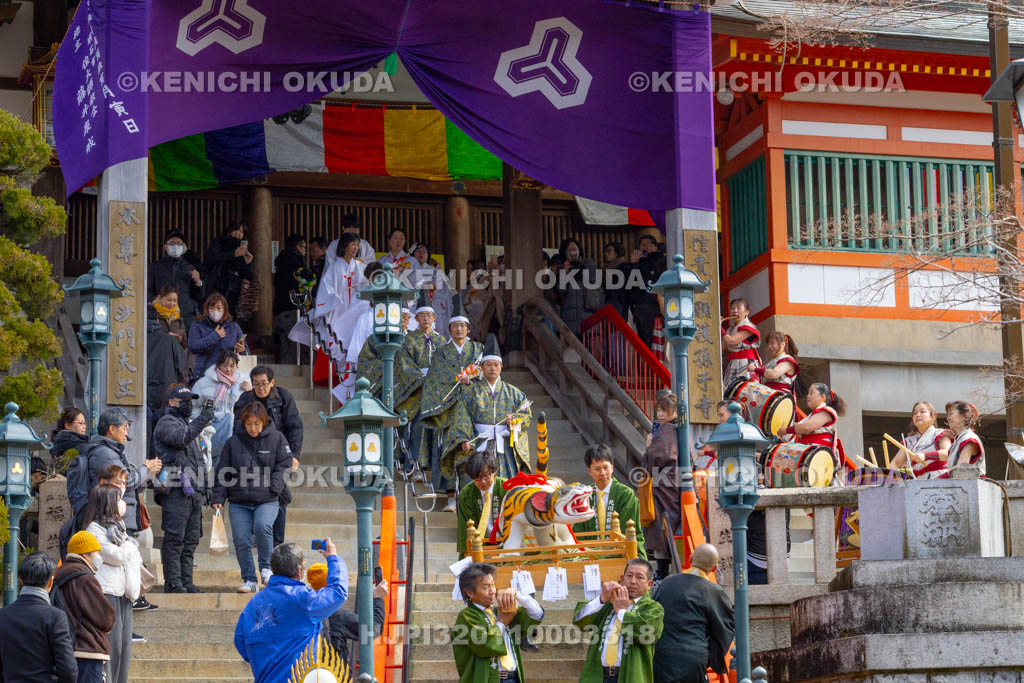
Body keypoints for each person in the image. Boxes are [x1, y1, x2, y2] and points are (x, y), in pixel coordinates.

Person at [234, 541, 347, 683]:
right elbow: (338, 592)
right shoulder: (303, 598)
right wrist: (333, 558)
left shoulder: (253, 604)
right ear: (299, 571)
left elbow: (240, 641)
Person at [212, 402, 292, 592]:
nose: (253, 428)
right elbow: (223, 471)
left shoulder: (277, 439)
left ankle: (266, 568)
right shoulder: (233, 442)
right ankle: (249, 579)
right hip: (239, 500)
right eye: (249, 424)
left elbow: (284, 464)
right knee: (241, 538)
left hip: (267, 498)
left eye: (257, 424)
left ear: (264, 422)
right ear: (243, 423)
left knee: (262, 527)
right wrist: (218, 498)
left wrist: (275, 487)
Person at [418, 296, 483, 503]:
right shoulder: (441, 353)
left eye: (462, 326)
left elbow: (487, 374)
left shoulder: (478, 351)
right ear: (449, 329)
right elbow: (435, 379)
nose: (459, 329)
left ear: (468, 330)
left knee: (471, 450)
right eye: (454, 326)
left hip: (473, 409)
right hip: (449, 409)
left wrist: (472, 377)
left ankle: (472, 493)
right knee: (448, 449)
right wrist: (456, 380)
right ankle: (450, 495)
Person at [152, 385, 216, 594]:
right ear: (172, 402)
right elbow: (181, 438)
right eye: (184, 401)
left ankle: (186, 581)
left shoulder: (187, 425)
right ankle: (174, 583)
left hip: (193, 492)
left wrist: (205, 490)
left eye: (191, 400)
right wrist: (202, 419)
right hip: (175, 490)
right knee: (175, 539)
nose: (188, 405)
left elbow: (199, 460)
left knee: (190, 542)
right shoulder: (166, 422)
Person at [444, 334, 532, 483]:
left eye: (496, 365)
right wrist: (464, 439)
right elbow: (461, 418)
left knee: (505, 485)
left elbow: (526, 416)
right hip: (479, 445)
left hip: (504, 448)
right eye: (488, 364)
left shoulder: (514, 393)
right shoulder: (470, 392)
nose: (493, 368)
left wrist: (515, 422)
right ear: (481, 367)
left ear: (501, 367)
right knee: (478, 483)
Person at [233, 365, 304, 547]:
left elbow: (294, 426)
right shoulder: (245, 400)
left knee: (279, 492)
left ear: (272, 382)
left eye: (264, 384)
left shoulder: (284, 397)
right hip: (251, 454)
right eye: (256, 384)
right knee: (251, 492)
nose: (261, 388)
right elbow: (238, 429)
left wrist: (294, 455)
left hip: (278, 452)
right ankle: (254, 534)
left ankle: (277, 540)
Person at [84, 485, 143, 683]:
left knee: (124, 650)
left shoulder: (118, 528)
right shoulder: (94, 529)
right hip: (107, 592)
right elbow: (116, 556)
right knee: (112, 648)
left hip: (124, 592)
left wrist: (128, 544)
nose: (122, 503)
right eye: (118, 499)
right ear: (107, 503)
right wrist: (128, 544)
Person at [652, 544, 734, 683]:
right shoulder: (714, 592)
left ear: (690, 559)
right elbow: (726, 628)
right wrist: (709, 655)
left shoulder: (667, 582)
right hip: (693, 656)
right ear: (714, 568)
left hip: (662, 655)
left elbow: (652, 613)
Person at [574, 558, 664, 683]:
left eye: (639, 577)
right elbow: (580, 620)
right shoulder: (609, 603)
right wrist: (601, 599)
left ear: (649, 584)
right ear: (622, 579)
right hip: (599, 674)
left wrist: (621, 612)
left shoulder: (653, 608)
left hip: (630, 675)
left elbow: (649, 633)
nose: (633, 581)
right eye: (629, 575)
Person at [453, 562, 544, 683]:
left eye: (493, 585)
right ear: (470, 592)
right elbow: (484, 644)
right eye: (486, 587)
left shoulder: (501, 611)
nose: (492, 591)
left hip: (513, 678)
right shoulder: (467, 616)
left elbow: (537, 614)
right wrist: (501, 623)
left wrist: (517, 594)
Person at [399, 289, 450, 489]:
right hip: (417, 392)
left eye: (429, 315)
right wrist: (422, 378)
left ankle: (433, 466)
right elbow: (404, 365)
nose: (426, 319)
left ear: (434, 317)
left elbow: (448, 366)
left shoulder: (441, 341)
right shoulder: (409, 340)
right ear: (416, 318)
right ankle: (416, 467)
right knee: (418, 425)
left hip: (436, 392)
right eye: (422, 315)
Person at [83, 410, 162, 538]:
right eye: (124, 428)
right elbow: (128, 482)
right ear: (112, 429)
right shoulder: (105, 453)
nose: (126, 433)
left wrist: (149, 474)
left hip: (121, 517)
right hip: (114, 517)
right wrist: (146, 468)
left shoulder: (112, 451)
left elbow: (130, 485)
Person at [0, 552, 77, 683]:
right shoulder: (55, 617)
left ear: (20, 580)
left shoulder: (3, 615)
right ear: (51, 581)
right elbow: (68, 671)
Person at [53, 531, 117, 683]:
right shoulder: (84, 578)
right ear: (85, 553)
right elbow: (106, 618)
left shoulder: (60, 575)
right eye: (96, 552)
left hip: (66, 648)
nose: (98, 557)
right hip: (87, 649)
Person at [575, 444, 646, 560]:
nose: (602, 473)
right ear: (589, 471)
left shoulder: (625, 494)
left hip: (621, 552)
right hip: (591, 556)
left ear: (612, 467)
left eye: (606, 467)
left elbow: (628, 530)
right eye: (597, 469)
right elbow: (578, 533)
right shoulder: (584, 496)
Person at [306, 563, 387, 662]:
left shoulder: (304, 610)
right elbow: (373, 629)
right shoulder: (337, 617)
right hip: (333, 675)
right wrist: (378, 598)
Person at [313, 232, 368, 374]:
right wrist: (337, 299)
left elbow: (366, 287)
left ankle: (352, 369)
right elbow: (326, 290)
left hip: (355, 310)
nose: (355, 248)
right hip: (338, 309)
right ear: (344, 246)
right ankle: (336, 371)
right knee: (337, 339)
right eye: (353, 244)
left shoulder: (361, 267)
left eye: (357, 245)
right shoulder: (334, 267)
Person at [642, 392, 680, 578]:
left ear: (674, 412)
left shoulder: (665, 432)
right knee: (669, 527)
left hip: (664, 486)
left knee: (662, 526)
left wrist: (648, 447)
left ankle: (662, 571)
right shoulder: (678, 430)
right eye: (659, 410)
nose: (661, 414)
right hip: (674, 484)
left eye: (665, 410)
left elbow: (653, 462)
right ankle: (666, 569)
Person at [191, 349, 252, 459]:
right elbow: (193, 405)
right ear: (218, 365)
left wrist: (249, 391)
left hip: (233, 428)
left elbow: (253, 406)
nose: (229, 369)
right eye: (225, 365)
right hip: (208, 426)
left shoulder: (243, 382)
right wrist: (200, 422)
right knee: (207, 458)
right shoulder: (204, 383)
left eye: (232, 366)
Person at [780, 383, 847, 471]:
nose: (808, 396)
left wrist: (786, 430)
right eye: (808, 393)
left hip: (819, 456)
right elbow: (801, 427)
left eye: (811, 393)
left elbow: (807, 427)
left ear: (822, 397)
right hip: (809, 454)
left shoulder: (826, 411)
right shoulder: (812, 415)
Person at [148, 231, 204, 330]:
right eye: (172, 243)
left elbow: (199, 296)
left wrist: (198, 282)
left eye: (179, 243)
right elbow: (147, 291)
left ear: (183, 247)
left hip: (186, 315)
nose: (176, 246)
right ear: (166, 247)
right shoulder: (155, 267)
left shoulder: (190, 268)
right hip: (161, 315)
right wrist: (157, 302)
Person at [456, 453, 506, 559]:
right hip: (480, 544)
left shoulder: (507, 488)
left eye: (486, 476)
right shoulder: (466, 494)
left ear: (495, 471)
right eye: (477, 479)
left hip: (506, 542)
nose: (482, 482)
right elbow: (465, 528)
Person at [202, 221, 254, 316]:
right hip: (216, 285)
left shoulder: (243, 249)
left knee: (229, 315)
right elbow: (212, 258)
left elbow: (246, 276)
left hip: (233, 289)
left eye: (241, 232)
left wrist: (248, 263)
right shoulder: (218, 242)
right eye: (236, 230)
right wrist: (233, 254)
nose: (238, 233)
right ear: (229, 231)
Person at [189, 293, 246, 380]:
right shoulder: (198, 325)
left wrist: (242, 350)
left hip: (228, 375)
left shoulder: (234, 327)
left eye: (219, 308)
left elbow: (246, 350)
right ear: (207, 309)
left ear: (225, 310)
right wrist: (215, 336)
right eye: (212, 308)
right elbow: (193, 346)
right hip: (205, 375)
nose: (215, 311)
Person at [552, 237, 601, 336]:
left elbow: (594, 281)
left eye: (574, 249)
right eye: (568, 250)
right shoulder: (562, 269)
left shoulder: (588, 263)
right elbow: (560, 292)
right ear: (564, 253)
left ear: (579, 250)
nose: (572, 252)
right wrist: (564, 273)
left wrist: (578, 267)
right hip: (569, 318)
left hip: (587, 315)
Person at [274, 234, 309, 365]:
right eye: (304, 247)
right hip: (292, 308)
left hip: (280, 309)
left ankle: (280, 379)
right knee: (295, 347)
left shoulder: (282, 260)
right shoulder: (295, 260)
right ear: (298, 246)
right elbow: (304, 282)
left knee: (286, 347)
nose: (306, 251)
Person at [891, 401, 948, 478]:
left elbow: (948, 453)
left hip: (938, 479)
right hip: (915, 482)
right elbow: (895, 464)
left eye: (922, 411)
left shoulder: (941, 434)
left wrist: (925, 456)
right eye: (915, 413)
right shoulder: (909, 441)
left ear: (933, 416)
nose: (917, 415)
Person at [628, 234, 665, 349]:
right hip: (640, 304)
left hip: (652, 304)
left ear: (654, 246)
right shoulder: (641, 262)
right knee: (643, 340)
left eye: (645, 245)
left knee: (652, 340)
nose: (642, 248)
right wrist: (634, 263)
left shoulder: (659, 261)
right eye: (640, 246)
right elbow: (632, 283)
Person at [410, 242, 454, 333]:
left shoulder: (434, 271)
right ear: (412, 254)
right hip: (413, 307)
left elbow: (442, 288)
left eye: (424, 251)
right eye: (418, 251)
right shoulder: (408, 270)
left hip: (434, 306)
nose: (421, 253)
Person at [722, 298, 760, 388]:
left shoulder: (749, 326)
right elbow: (722, 349)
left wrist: (720, 328)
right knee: (729, 392)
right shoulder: (729, 330)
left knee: (745, 391)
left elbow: (731, 341)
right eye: (732, 308)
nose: (735, 311)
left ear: (747, 312)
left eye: (739, 308)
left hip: (746, 363)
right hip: (732, 363)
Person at [943, 400, 985, 474]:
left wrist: (939, 478)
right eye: (947, 415)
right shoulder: (958, 440)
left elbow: (960, 469)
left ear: (963, 416)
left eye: (951, 414)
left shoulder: (969, 438)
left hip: (972, 484)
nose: (948, 418)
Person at [50, 408, 89, 478]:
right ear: (67, 425)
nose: (84, 427)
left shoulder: (58, 441)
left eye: (85, 423)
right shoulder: (79, 446)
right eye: (80, 423)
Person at [602, 242, 630, 320]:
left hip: (620, 306)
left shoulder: (624, 268)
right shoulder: (607, 269)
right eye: (605, 251)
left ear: (617, 252)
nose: (606, 254)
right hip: (610, 306)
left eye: (609, 251)